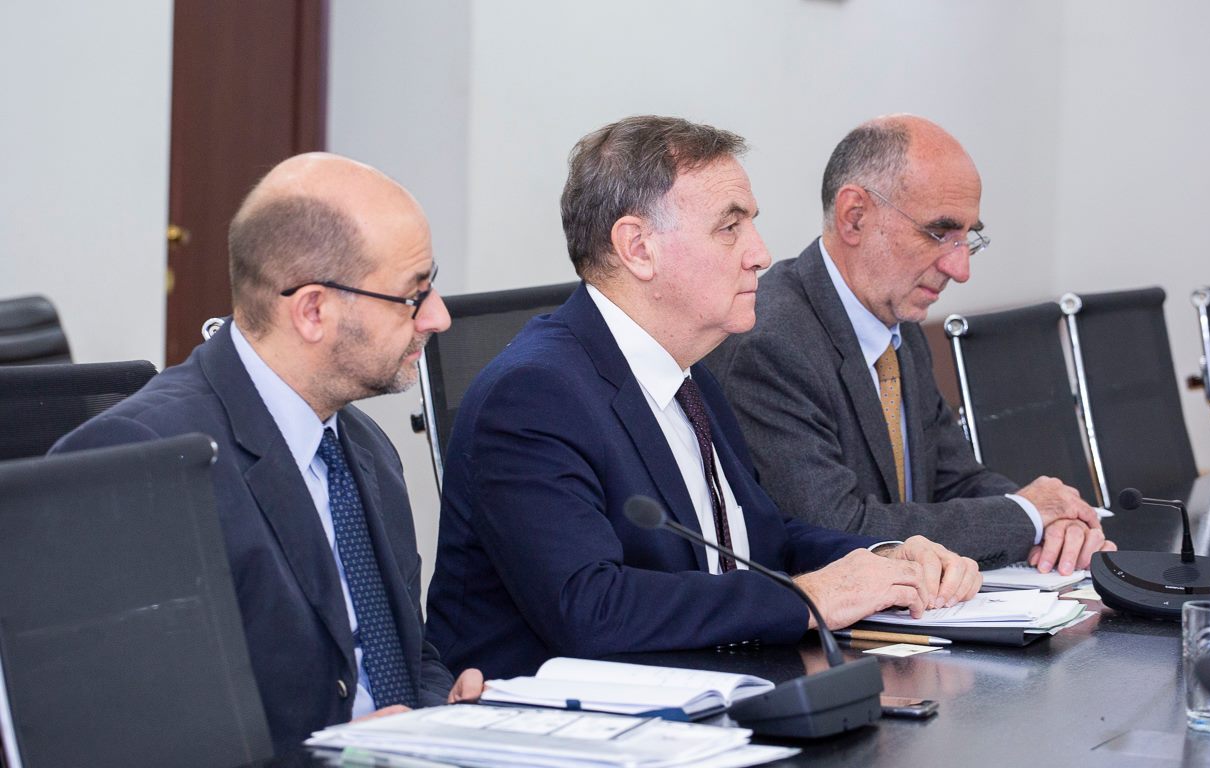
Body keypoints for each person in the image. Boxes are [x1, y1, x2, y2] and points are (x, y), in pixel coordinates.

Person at [425, 116, 981, 681]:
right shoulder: (532, 395)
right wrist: (808, 598)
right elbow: (591, 606)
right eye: (729, 227)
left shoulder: (690, 372)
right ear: (638, 248)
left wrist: (884, 559)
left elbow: (760, 539)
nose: (761, 254)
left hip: (710, 687)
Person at [53, 153, 481, 752]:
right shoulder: (146, 461)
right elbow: (122, 732)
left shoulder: (364, 446)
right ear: (313, 311)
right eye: (413, 295)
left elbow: (405, 655)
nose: (438, 317)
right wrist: (328, 754)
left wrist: (444, 711)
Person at [705, 115, 1115, 574]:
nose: (960, 269)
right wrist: (1027, 516)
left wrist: (1054, 523)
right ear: (854, 217)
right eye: (939, 234)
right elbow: (837, 530)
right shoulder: (770, 343)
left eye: (968, 239)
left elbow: (955, 479)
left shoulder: (896, 321)